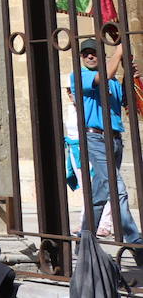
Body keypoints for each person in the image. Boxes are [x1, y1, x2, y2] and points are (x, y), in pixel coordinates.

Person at [70, 37, 143, 252]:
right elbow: (102, 77)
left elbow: (127, 100)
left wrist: (132, 77)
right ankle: (134, 241)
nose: (90, 56)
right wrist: (119, 52)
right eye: (86, 54)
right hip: (95, 138)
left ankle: (85, 240)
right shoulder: (80, 76)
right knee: (117, 188)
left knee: (101, 192)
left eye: (93, 52)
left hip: (114, 139)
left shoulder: (112, 81)